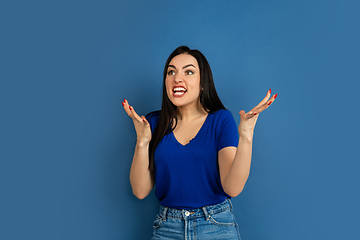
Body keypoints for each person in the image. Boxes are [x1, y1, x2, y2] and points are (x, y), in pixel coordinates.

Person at [122, 46, 277, 239]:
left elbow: (232, 188)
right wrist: (142, 142)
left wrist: (246, 136)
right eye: (171, 72)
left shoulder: (220, 120)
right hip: (167, 227)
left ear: (202, 83)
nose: (177, 78)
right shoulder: (154, 123)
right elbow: (140, 191)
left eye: (188, 71)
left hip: (215, 226)